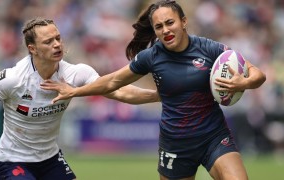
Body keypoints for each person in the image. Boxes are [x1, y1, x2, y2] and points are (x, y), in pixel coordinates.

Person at [41, 1, 266, 180]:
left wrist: (243, 83)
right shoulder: (152, 56)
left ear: (184, 21)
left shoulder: (209, 48)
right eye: (159, 26)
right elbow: (112, 82)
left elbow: (257, 74)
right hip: (175, 143)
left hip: (214, 136)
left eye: (170, 22)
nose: (166, 30)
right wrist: (75, 91)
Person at [0, 17, 160, 180]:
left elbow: (121, 92)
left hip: (49, 159)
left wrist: (160, 96)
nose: (57, 44)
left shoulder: (76, 74)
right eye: (48, 41)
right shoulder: (13, 79)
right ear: (32, 49)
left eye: (58, 38)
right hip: (12, 161)